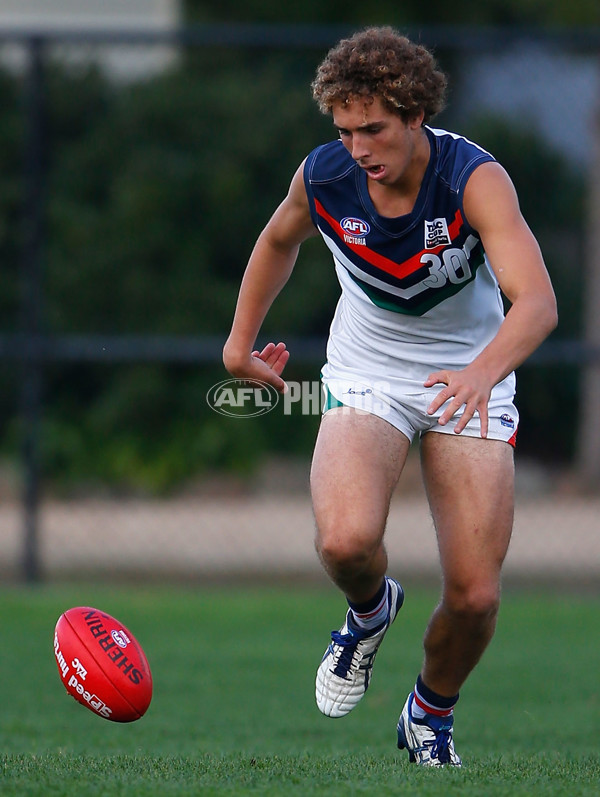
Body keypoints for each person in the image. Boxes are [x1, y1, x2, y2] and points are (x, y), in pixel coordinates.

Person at [222, 26, 557, 766]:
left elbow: (535, 302)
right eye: (344, 129)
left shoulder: (473, 178)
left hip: (471, 373)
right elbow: (279, 239)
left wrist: (481, 371)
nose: (358, 146)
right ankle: (370, 612)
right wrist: (237, 345)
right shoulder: (326, 176)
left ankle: (427, 714)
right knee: (344, 540)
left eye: (373, 128)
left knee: (474, 598)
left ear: (415, 117)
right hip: (368, 367)